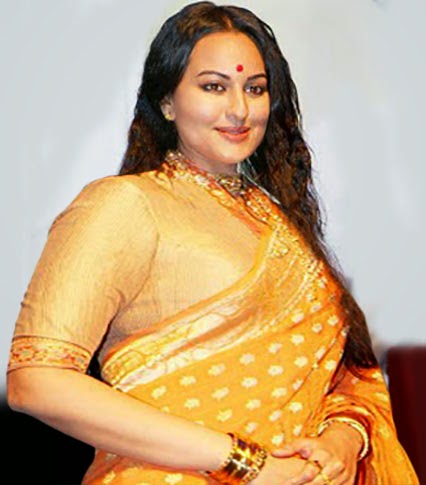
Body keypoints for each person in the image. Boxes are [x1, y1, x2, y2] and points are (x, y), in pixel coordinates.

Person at [6, 2, 419, 484]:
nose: (239, 109)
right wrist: (246, 463)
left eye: (255, 88)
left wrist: (343, 439)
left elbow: (345, 375)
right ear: (167, 101)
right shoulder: (125, 205)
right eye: (213, 87)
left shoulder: (279, 222)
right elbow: (37, 381)